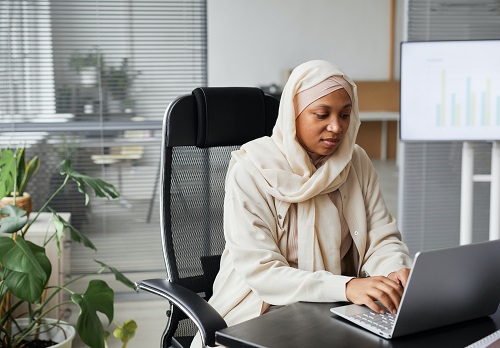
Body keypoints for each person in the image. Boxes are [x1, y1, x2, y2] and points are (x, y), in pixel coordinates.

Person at [191, 60, 413, 347]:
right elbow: (263, 273)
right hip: (260, 309)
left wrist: (395, 270)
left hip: (332, 308)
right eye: (322, 114)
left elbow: (380, 238)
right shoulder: (252, 169)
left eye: (345, 115)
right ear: (292, 114)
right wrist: (345, 287)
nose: (336, 127)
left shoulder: (355, 162)